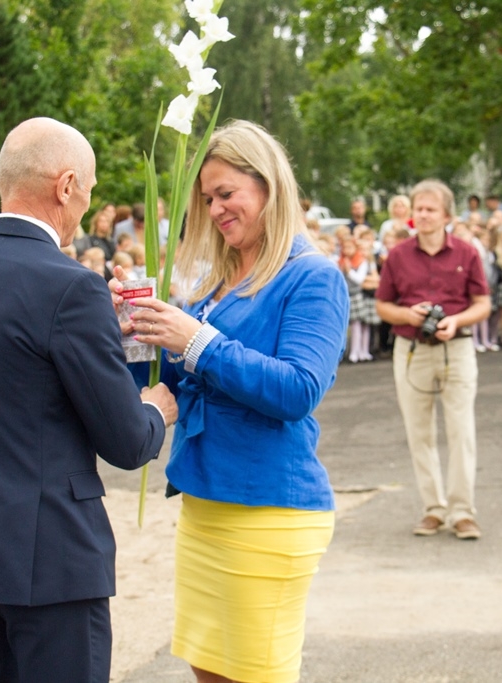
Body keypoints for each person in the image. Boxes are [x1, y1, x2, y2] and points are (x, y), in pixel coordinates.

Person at [0, 117, 177, 683]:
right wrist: (157, 408)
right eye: (89, 187)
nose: (87, 202)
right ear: (65, 185)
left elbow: (11, 378)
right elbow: (127, 442)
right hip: (48, 549)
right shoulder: (71, 286)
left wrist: (96, 331)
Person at [116, 120, 350, 683]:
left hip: (268, 509)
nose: (216, 209)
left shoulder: (312, 278)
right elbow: (179, 376)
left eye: (226, 194)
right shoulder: (217, 286)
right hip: (207, 504)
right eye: (207, 199)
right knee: (211, 673)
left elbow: (297, 390)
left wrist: (196, 340)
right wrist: (134, 325)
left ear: (268, 185)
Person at [375, 179, 491, 540]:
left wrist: (456, 320)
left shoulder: (467, 252)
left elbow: (483, 303)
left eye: (430, 209)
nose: (423, 215)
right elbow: (382, 306)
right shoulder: (397, 256)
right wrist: (408, 315)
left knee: (461, 430)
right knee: (418, 432)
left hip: (456, 347)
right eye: (418, 209)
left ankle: (462, 511)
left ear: (446, 215)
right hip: (411, 351)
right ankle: (433, 508)